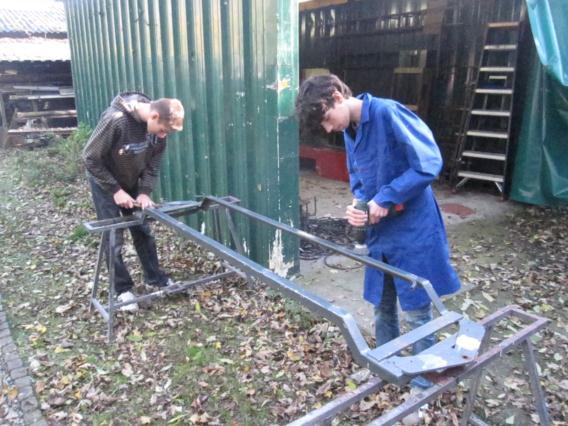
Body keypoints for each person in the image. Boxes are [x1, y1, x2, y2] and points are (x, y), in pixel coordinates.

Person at [296, 75, 461, 423]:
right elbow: (360, 178)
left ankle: (423, 384)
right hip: (380, 231)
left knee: (416, 310)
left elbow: (429, 162)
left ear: (337, 95)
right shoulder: (350, 130)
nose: (328, 129)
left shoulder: (387, 113)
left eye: (326, 118)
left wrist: (385, 198)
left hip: (413, 229)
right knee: (382, 304)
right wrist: (359, 205)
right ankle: (385, 365)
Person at [83, 92, 184, 312]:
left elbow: (153, 164)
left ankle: (155, 277)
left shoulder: (157, 133)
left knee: (142, 230)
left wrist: (145, 192)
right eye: (163, 130)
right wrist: (115, 190)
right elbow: (89, 157)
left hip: (132, 181)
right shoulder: (116, 120)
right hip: (106, 182)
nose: (164, 136)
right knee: (113, 236)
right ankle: (122, 289)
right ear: (154, 115)